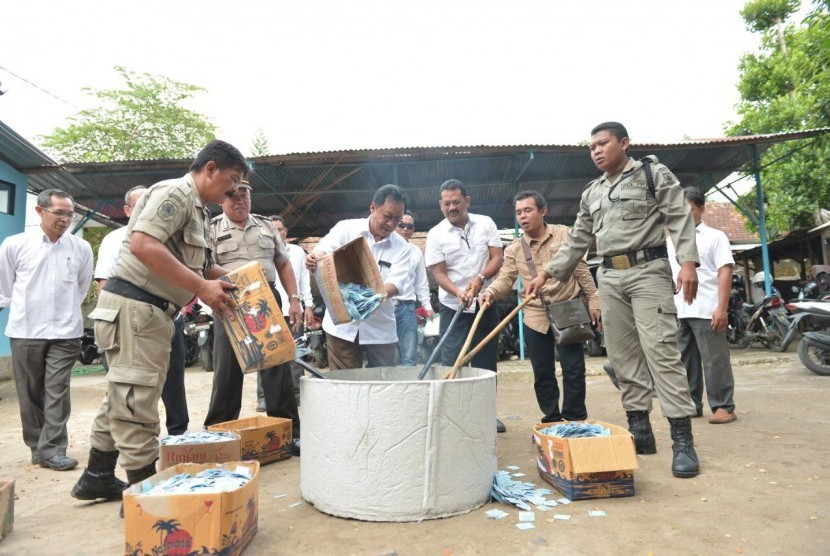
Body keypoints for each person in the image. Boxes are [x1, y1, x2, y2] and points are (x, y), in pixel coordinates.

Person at [71, 140, 246, 506]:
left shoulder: (197, 209)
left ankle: (98, 475)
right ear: (210, 168)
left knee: (123, 395)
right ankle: (147, 497)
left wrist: (241, 281)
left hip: (151, 312)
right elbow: (143, 245)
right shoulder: (176, 193)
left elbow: (199, 266)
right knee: (138, 402)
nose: (232, 190)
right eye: (230, 180)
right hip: (136, 308)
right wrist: (201, 287)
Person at [526, 122, 701, 478]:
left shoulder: (652, 174)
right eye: (592, 146)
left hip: (648, 270)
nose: (596, 151)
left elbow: (679, 216)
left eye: (603, 143)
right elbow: (578, 239)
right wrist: (547, 273)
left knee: (662, 351)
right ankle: (640, 430)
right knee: (623, 357)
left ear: (624, 143)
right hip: (609, 276)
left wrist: (687, 263)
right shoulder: (591, 192)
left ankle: (682, 440)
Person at [202, 181, 303, 456]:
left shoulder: (267, 226)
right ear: (222, 199)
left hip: (266, 297)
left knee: (277, 366)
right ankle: (218, 435)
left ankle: (289, 433)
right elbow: (204, 266)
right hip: (229, 298)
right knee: (227, 370)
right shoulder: (211, 228)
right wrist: (241, 279)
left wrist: (295, 299)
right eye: (233, 196)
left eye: (244, 195)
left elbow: (283, 263)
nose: (239, 201)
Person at [481, 191, 600, 423]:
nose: (522, 217)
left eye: (528, 210)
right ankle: (552, 417)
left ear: (543, 211)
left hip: (569, 310)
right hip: (535, 315)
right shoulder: (515, 248)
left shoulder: (565, 234)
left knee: (573, 369)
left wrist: (594, 300)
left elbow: (581, 271)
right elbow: (505, 279)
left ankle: (574, 418)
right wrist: (489, 292)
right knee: (542, 371)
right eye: (518, 213)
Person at [0, 189, 93, 471]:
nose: (66, 219)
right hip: (26, 329)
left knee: (57, 390)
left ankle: (53, 449)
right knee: (29, 393)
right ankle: (37, 446)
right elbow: (4, 288)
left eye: (69, 214)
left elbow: (81, 288)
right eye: (59, 213)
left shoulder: (80, 248)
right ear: (40, 212)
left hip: (66, 333)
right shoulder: (15, 244)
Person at [94, 185, 189, 435]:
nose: (148, 208)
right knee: (132, 385)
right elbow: (105, 283)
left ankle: (178, 432)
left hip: (169, 315)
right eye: (140, 204)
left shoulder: (170, 236)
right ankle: (125, 444)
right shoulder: (114, 239)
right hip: (131, 319)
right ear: (127, 210)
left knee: (173, 376)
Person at [425, 179, 505, 432]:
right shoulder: (435, 234)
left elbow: (498, 257)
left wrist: (480, 279)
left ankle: (486, 415)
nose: (451, 207)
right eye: (446, 203)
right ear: (440, 205)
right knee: (452, 360)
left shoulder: (486, 223)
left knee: (486, 360)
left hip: (484, 302)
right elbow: (438, 273)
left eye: (456, 202)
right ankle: (454, 417)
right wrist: (458, 291)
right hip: (453, 306)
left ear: (467, 201)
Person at [306, 184, 411, 369]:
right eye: (387, 216)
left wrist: (364, 299)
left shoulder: (402, 247)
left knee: (384, 384)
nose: (391, 224)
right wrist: (316, 258)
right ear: (373, 207)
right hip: (342, 328)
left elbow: (396, 283)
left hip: (380, 329)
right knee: (345, 385)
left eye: (397, 219)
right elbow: (323, 251)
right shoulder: (346, 228)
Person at [668, 187, 737, 424]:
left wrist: (722, 308)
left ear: (702, 210)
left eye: (689, 210)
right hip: (679, 310)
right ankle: (692, 405)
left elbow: (725, 272)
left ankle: (723, 406)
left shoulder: (715, 237)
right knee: (684, 361)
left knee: (714, 360)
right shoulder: (671, 241)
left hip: (708, 308)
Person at [257, 215, 314, 410]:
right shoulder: (261, 251)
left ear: (286, 231)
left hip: (292, 310)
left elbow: (304, 281)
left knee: (294, 353)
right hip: (267, 312)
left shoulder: (297, 252)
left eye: (279, 229)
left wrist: (307, 305)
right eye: (272, 229)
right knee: (266, 356)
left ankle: (297, 393)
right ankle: (263, 397)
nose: (276, 232)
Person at [393, 210, 434, 366]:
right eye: (401, 225)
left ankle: (409, 389)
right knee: (384, 355)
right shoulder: (383, 247)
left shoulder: (416, 252)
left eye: (409, 226)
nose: (405, 229)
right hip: (385, 307)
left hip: (407, 308)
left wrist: (428, 307)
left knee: (410, 355)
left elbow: (421, 283)